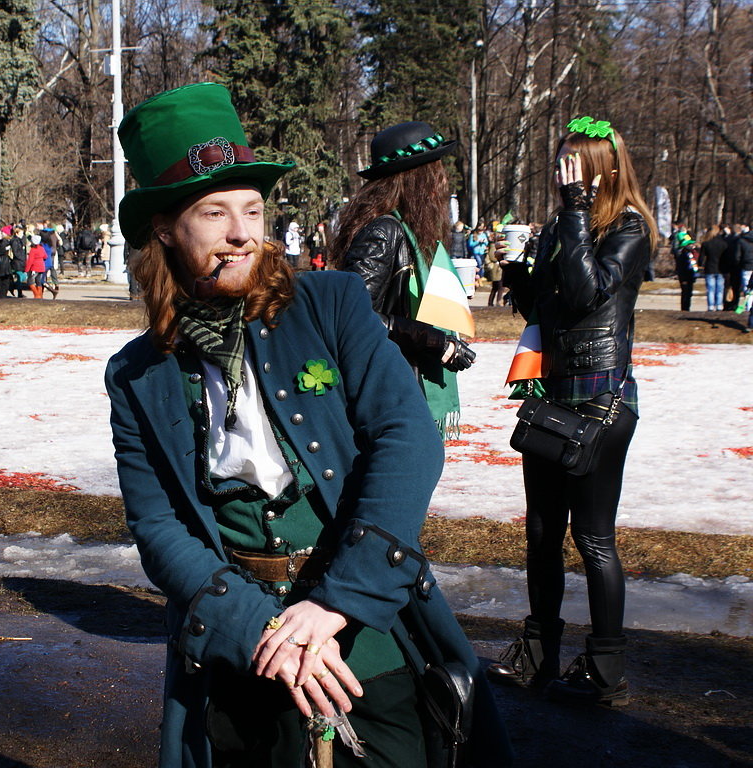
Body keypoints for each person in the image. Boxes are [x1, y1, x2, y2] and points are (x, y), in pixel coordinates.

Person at [105, 82, 511, 768]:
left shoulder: (330, 304)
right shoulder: (136, 374)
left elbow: (406, 439)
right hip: (239, 641)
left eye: (253, 209)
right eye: (213, 212)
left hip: (363, 622)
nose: (242, 232)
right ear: (165, 229)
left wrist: (333, 605)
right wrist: (260, 630)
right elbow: (158, 525)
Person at [492, 117, 656, 706]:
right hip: (554, 394)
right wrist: (517, 276)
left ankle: (605, 665)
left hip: (602, 400)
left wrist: (574, 208)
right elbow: (553, 303)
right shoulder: (567, 226)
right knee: (541, 533)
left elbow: (590, 295)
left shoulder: (629, 228)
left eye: (574, 163)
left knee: (592, 539)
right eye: (561, 163)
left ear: (601, 170)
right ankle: (538, 651)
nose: (563, 172)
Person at [330, 121, 476, 436]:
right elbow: (350, 316)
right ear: (418, 179)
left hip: (402, 385)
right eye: (436, 173)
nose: (443, 182)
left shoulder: (411, 234)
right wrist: (434, 341)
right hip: (387, 393)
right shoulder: (384, 231)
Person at [698, 225, 729, 312]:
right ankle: (719, 305)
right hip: (721, 269)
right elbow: (727, 257)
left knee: (710, 289)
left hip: (710, 268)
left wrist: (700, 265)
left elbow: (701, 258)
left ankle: (711, 306)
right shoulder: (724, 244)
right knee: (720, 289)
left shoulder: (706, 243)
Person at [672, 232, 698, 311]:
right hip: (684, 275)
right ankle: (685, 308)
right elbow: (681, 266)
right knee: (685, 292)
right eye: (689, 244)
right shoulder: (681, 253)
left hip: (690, 274)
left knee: (689, 293)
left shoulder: (690, 253)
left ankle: (687, 307)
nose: (691, 246)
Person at [25, 234, 47, 298]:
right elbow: (45, 256)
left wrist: (27, 269)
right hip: (41, 267)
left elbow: (30, 261)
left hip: (34, 268)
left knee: (30, 281)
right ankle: (40, 295)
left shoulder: (33, 250)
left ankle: (36, 294)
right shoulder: (41, 248)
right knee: (38, 281)